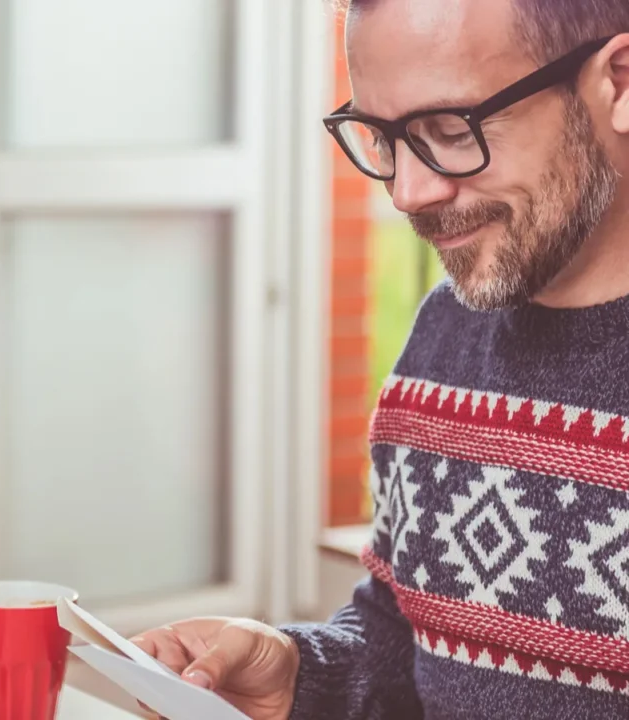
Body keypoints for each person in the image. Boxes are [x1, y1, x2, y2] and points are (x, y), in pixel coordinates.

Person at [131, 0, 629, 717]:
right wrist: (302, 674)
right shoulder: (446, 333)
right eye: (385, 136)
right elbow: (409, 633)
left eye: (453, 130)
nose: (407, 192)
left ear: (618, 79)